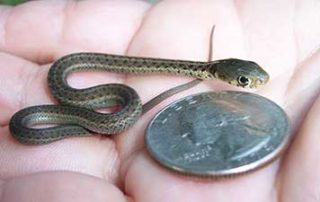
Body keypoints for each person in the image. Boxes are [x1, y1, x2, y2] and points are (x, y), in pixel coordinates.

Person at [0, 1, 319, 201]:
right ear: (224, 73)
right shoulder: (200, 70)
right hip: (83, 99)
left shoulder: (210, 70)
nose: (246, 85)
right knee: (113, 106)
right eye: (244, 81)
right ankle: (85, 125)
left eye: (244, 81)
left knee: (120, 108)